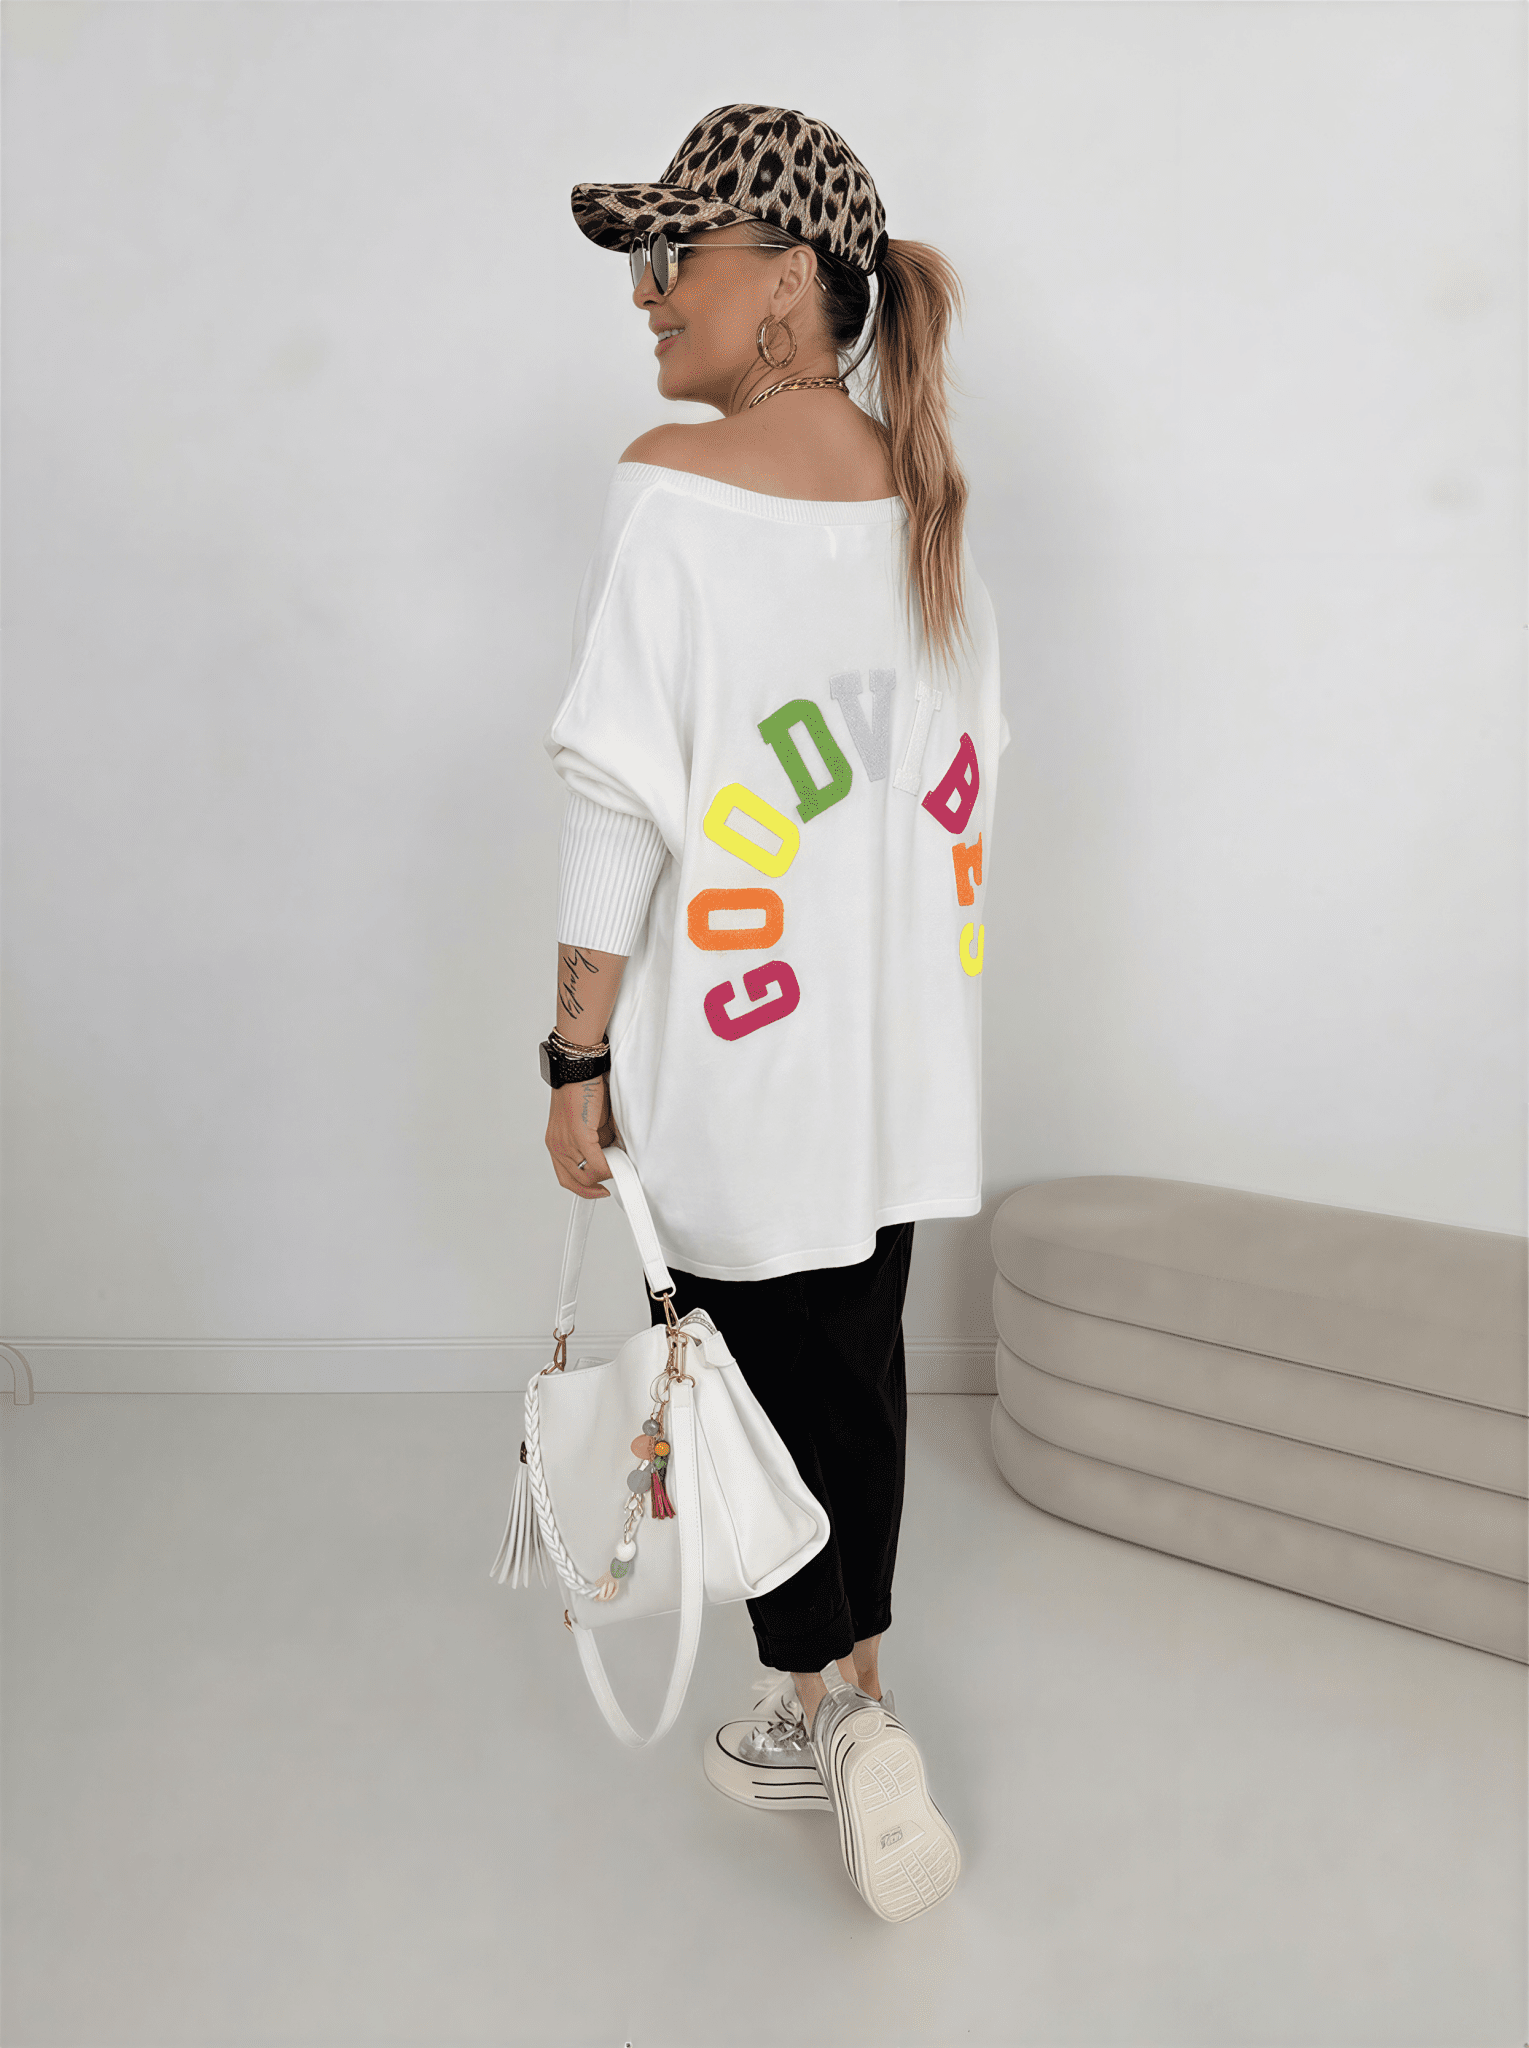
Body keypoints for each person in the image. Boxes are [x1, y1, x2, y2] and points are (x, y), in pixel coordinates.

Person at [538, 104, 1007, 1924]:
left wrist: (578, 1052)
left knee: (743, 1389)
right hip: (897, 1068)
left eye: (679, 253)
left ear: (792, 278)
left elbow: (618, 794)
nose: (646, 293)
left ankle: (839, 1717)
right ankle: (845, 1690)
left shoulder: (674, 486)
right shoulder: (928, 493)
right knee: (852, 1371)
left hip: (743, 1062)